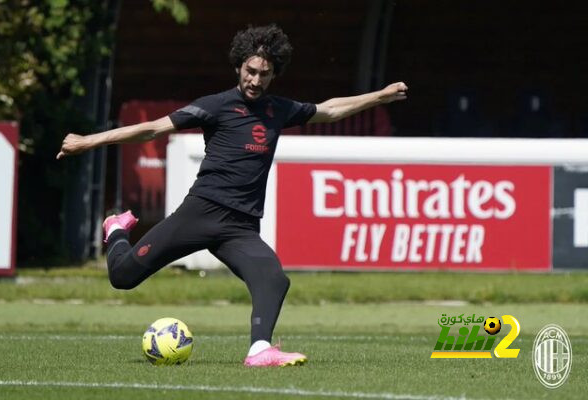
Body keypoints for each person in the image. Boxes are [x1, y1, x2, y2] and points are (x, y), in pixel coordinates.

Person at [57, 24, 408, 367]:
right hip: (200, 214)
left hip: (240, 226)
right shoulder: (216, 106)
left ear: (274, 74)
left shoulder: (278, 110)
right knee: (122, 277)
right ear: (239, 66)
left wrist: (379, 96)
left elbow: (329, 110)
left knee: (273, 278)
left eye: (264, 74)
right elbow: (151, 128)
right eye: (250, 71)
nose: (255, 80)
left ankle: (259, 350)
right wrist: (88, 141)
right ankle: (116, 228)